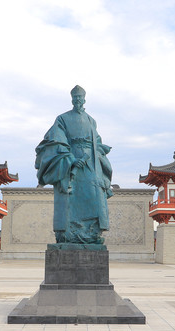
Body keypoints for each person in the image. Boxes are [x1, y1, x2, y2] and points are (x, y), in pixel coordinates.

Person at [35, 85, 113, 244]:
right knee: (71, 197)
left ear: (84, 99)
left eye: (80, 98)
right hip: (71, 159)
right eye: (75, 98)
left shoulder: (91, 120)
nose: (78, 100)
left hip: (90, 160)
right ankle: (69, 233)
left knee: (94, 194)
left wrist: (97, 154)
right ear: (72, 99)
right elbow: (57, 139)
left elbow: (97, 141)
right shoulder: (62, 118)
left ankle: (91, 233)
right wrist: (70, 159)